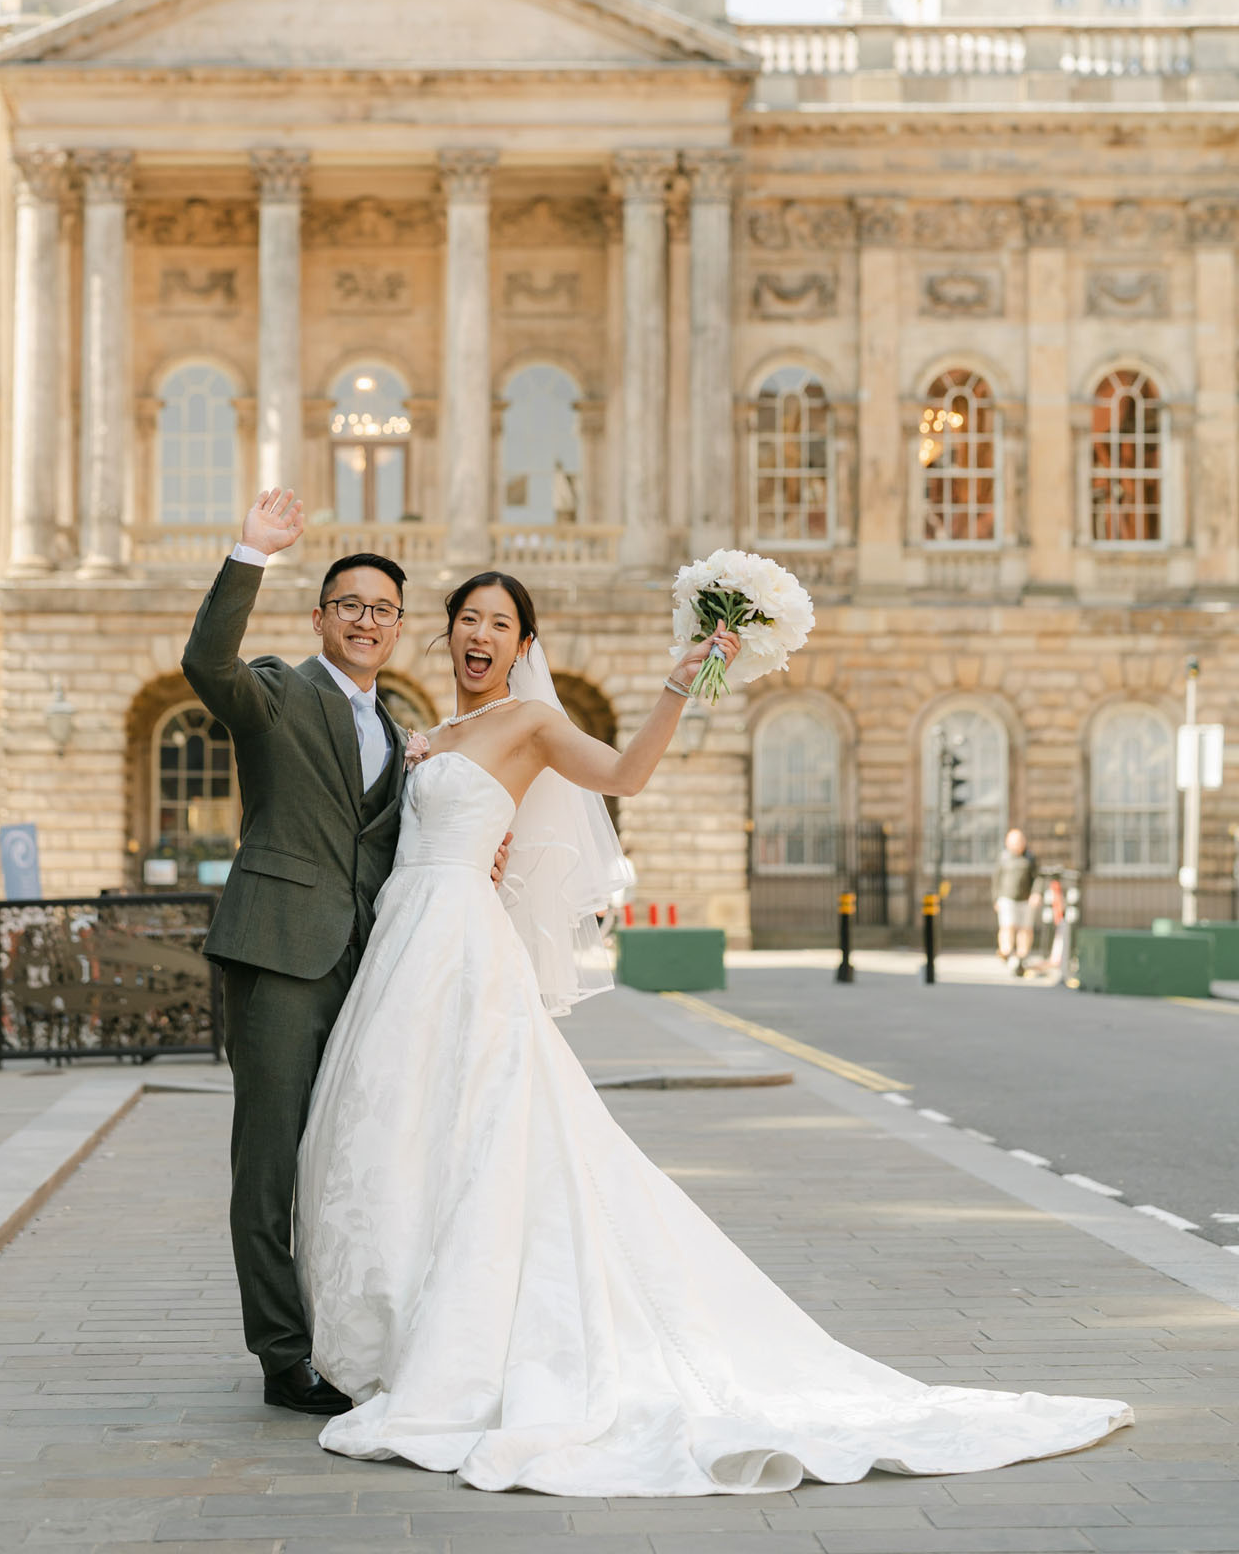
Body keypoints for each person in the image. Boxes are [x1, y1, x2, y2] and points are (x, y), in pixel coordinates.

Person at [295, 571, 1132, 1497]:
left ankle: (467, 1340)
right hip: (405, 945)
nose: (479, 636)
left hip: (461, 950)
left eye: (500, 624)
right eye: (466, 622)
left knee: (489, 1135)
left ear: (525, 647)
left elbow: (624, 776)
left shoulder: (531, 725)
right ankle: (403, 1324)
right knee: (405, 1131)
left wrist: (680, 684)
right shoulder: (426, 736)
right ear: (442, 636)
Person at [181, 488, 513, 1417]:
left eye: (382, 611)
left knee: (348, 1154)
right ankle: (282, 1356)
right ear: (320, 617)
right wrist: (250, 549)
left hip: (372, 969)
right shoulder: (282, 690)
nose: (366, 621)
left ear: (400, 628)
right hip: (283, 955)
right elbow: (208, 662)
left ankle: (341, 1330)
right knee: (270, 1161)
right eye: (350, 606)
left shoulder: (404, 728)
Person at [992, 827, 1039, 975]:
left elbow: (1038, 878)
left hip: (1025, 899)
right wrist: (996, 898)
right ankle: (1006, 951)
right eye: (1015, 841)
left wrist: (1036, 893)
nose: (1018, 844)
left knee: (1025, 929)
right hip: (1007, 898)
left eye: (1020, 841)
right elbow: (996, 879)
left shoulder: (1030, 858)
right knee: (1008, 926)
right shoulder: (1003, 858)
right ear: (1008, 843)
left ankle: (1021, 957)